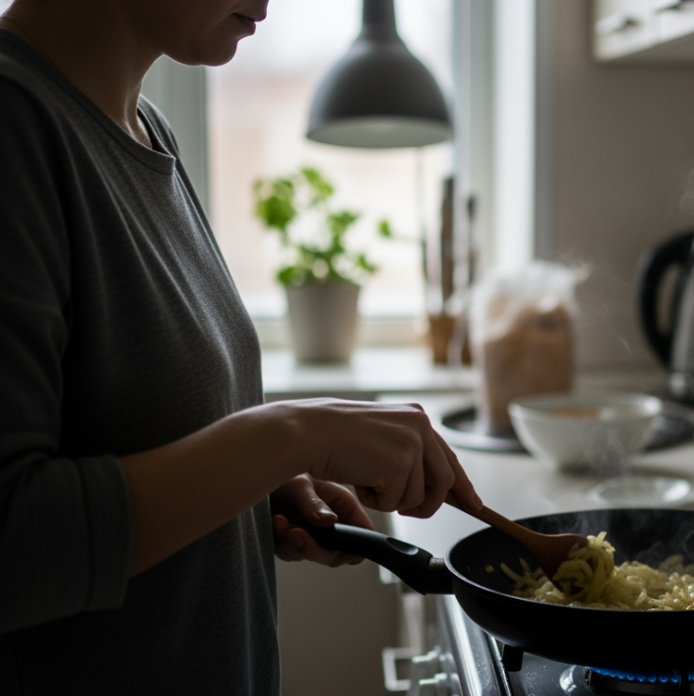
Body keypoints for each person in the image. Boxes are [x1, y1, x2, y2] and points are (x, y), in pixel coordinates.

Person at [0, 1, 481, 693]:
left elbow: (131, 434)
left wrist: (258, 487)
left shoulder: (144, 129)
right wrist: (291, 435)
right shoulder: (14, 125)